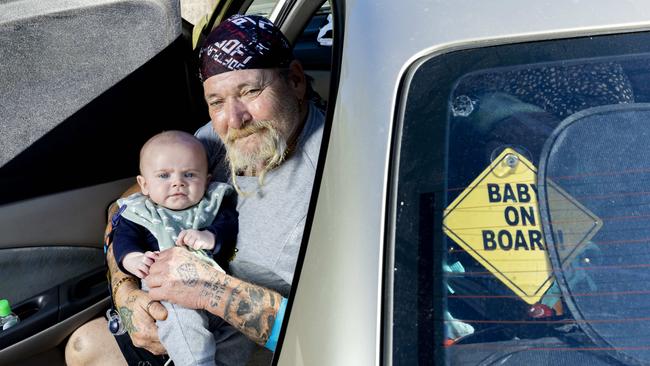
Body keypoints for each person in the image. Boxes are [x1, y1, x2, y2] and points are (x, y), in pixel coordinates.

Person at [65, 13, 325, 366]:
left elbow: (332, 328)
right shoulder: (215, 140)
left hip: (248, 351)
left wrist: (212, 292)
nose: (234, 120)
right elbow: (125, 206)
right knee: (82, 346)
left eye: (250, 91)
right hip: (167, 320)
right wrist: (126, 295)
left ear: (294, 81)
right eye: (216, 102)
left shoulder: (329, 178)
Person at [112, 130, 238, 366]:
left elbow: (229, 226)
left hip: (218, 288)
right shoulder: (141, 213)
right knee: (179, 319)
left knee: (239, 329)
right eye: (164, 175)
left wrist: (210, 237)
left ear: (207, 180)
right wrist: (134, 259)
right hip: (169, 289)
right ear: (144, 184)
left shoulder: (213, 204)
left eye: (189, 174)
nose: (178, 182)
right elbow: (123, 240)